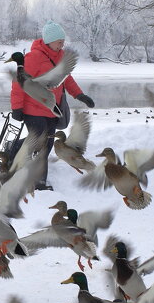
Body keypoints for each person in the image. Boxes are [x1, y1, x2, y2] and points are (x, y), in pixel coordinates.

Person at [10, 21, 94, 190]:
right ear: (48, 41)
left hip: (51, 110)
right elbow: (19, 83)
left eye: (62, 41)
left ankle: (14, 147)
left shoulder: (61, 57)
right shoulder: (34, 58)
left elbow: (66, 79)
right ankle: (39, 183)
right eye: (58, 41)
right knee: (41, 145)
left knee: (46, 145)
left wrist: (79, 95)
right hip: (32, 109)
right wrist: (17, 107)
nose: (61, 44)